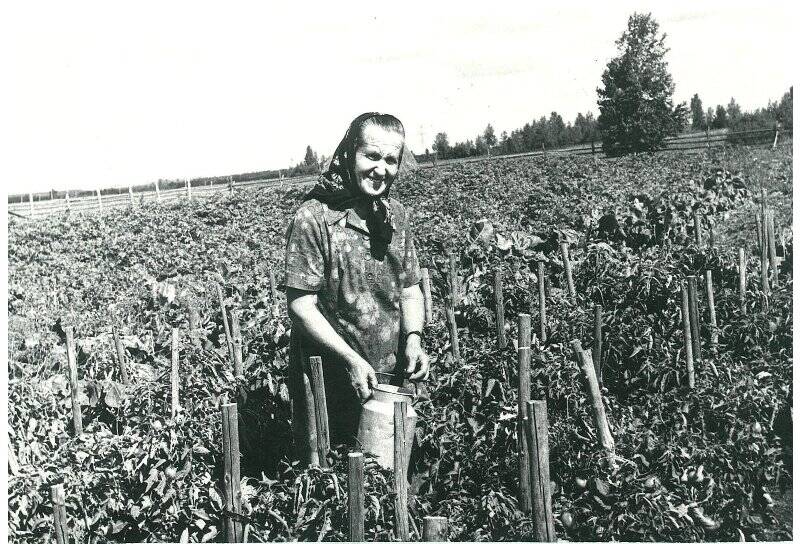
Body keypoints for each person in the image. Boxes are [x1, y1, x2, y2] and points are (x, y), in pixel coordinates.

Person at [284, 112, 430, 465]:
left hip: (390, 379)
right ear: (350, 154)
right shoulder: (314, 218)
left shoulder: (396, 215)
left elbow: (411, 288)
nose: (381, 169)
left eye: (391, 160)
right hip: (333, 379)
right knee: (335, 480)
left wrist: (413, 338)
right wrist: (349, 358)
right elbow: (301, 306)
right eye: (372, 156)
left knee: (395, 475)